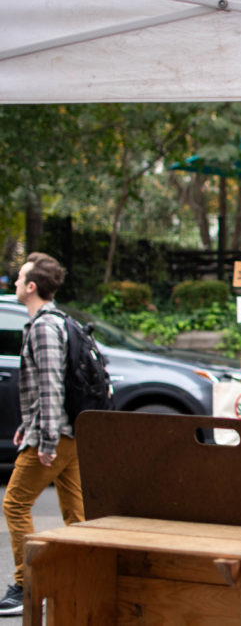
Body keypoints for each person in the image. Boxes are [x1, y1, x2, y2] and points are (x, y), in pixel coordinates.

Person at [0, 253, 86, 617]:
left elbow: (51, 386)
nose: (15, 284)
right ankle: (85, 580)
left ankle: (25, 584)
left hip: (57, 436)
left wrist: (46, 440)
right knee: (78, 517)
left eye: (19, 279)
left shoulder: (44, 327)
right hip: (68, 434)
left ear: (31, 287)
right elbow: (42, 386)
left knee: (14, 503)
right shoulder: (56, 322)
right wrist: (26, 424)